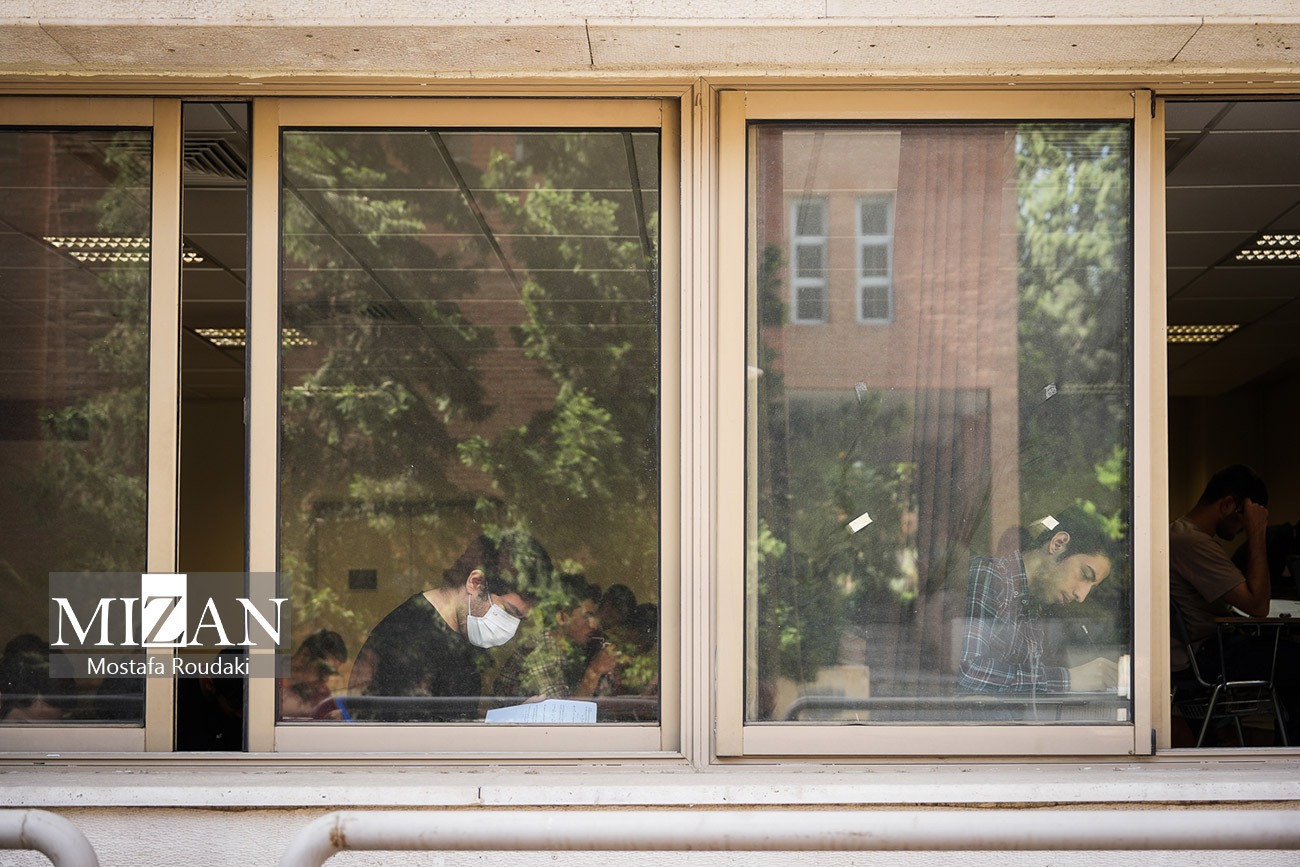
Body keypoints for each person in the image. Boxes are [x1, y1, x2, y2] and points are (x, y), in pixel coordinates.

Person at [349, 530, 552, 722]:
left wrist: (512, 717)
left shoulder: (463, 634)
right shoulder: (407, 639)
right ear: (476, 582)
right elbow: (412, 734)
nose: (511, 627)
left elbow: (456, 717)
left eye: (520, 619)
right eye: (508, 611)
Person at [1170, 464, 1300, 741]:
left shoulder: (1180, 534)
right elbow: (1257, 606)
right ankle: (1291, 751)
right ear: (1228, 505)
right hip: (1203, 657)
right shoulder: (1193, 542)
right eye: (1246, 518)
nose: (1243, 529)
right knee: (1294, 658)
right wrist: (1257, 532)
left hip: (1193, 655)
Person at [958, 505, 1122, 695]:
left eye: (1091, 588)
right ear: (1058, 543)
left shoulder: (1034, 605)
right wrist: (1068, 679)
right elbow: (970, 671)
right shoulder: (989, 575)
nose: (1082, 596)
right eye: (1085, 574)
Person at [491, 574, 617, 702]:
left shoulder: (573, 651)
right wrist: (594, 671)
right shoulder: (541, 653)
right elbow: (561, 712)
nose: (593, 625)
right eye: (587, 616)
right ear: (562, 618)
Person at [280, 629, 348, 719]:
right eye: (322, 670)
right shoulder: (270, 683)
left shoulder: (320, 692)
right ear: (305, 655)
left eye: (330, 673)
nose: (325, 679)